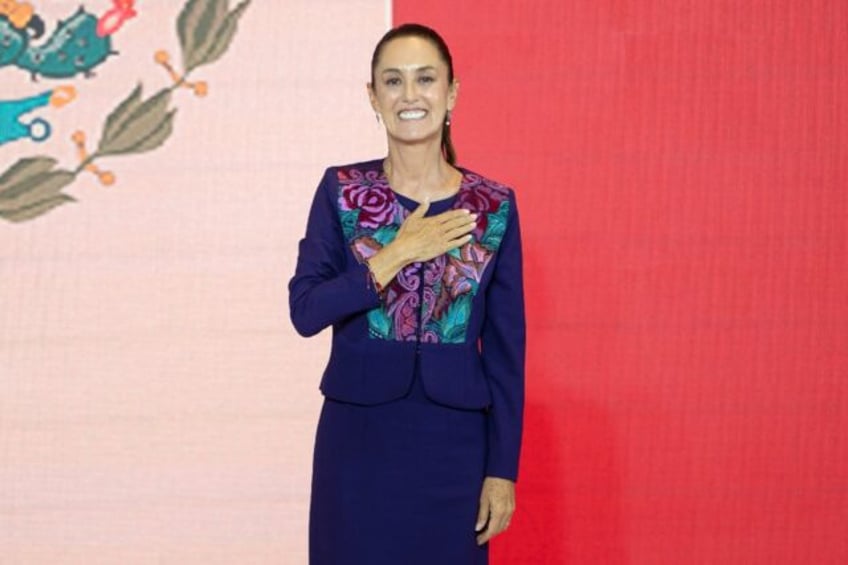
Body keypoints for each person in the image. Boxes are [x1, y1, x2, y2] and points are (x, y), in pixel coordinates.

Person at [289, 23, 526, 565]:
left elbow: (509, 354)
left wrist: (502, 470)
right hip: (357, 445)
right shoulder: (342, 192)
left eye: (425, 79)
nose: (410, 95)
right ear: (373, 97)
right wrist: (395, 253)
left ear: (452, 93)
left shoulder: (493, 206)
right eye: (393, 82)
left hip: (456, 450)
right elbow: (305, 311)